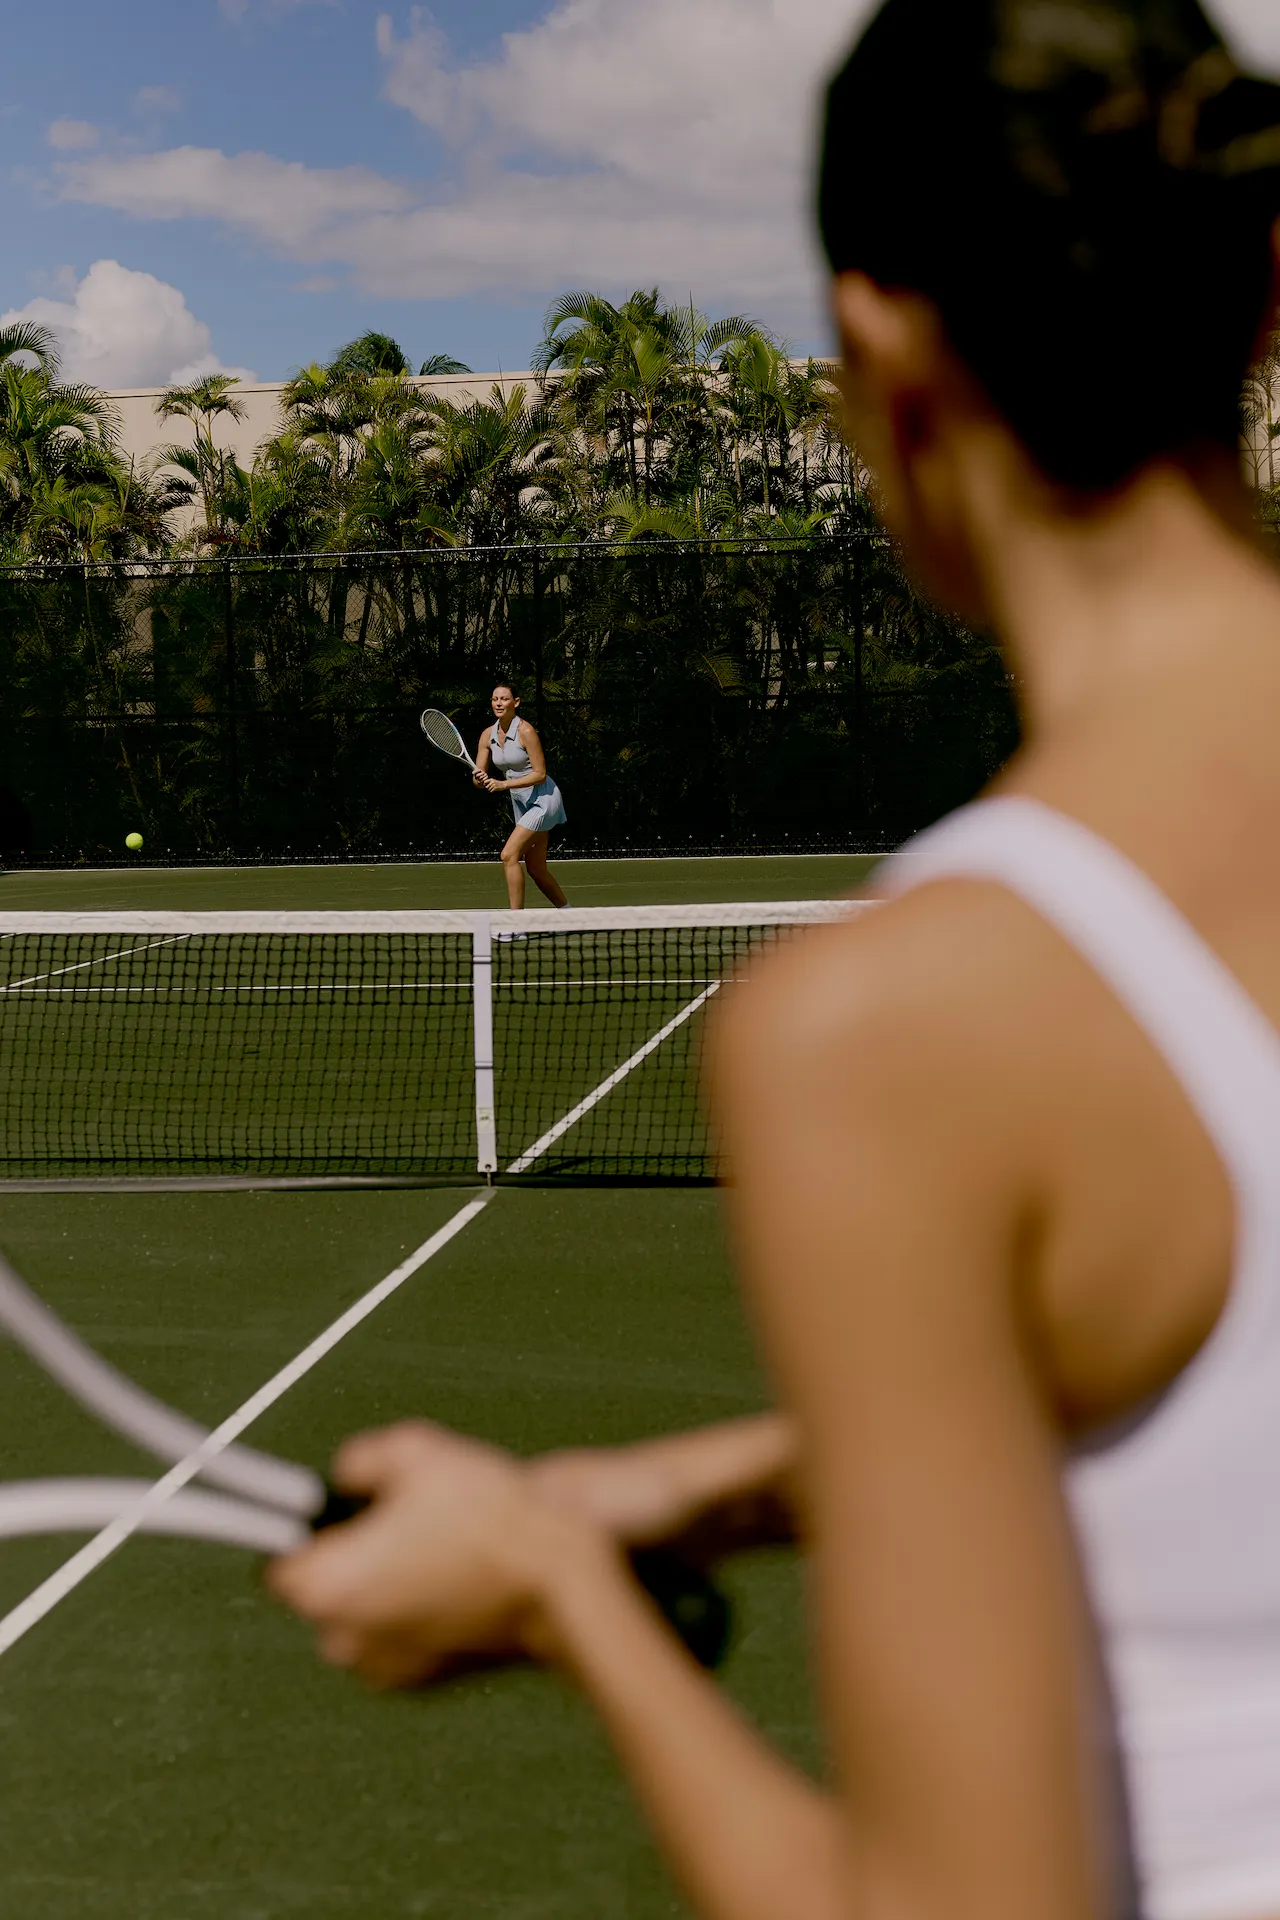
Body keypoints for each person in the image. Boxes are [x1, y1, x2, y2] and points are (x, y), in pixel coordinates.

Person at [270, 4, 1280, 1916]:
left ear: (882, 359)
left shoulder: (911, 1026)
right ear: (1264, 294)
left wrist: (564, 1585)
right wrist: (702, 1492)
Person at [473, 683, 569, 911]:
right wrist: (479, 778)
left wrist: (503, 783)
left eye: (504, 699)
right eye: (495, 698)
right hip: (521, 802)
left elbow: (540, 774)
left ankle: (516, 924)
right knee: (536, 869)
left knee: (508, 855)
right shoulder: (487, 735)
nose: (498, 703)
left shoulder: (526, 731)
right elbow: (478, 780)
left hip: (544, 799)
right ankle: (569, 916)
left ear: (515, 702)